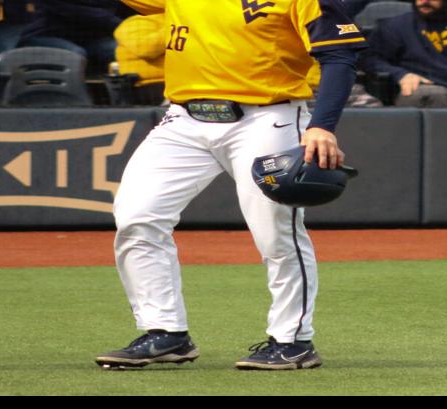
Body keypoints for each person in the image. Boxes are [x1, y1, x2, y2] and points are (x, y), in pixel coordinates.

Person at [95, 0, 366, 372]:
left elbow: (339, 55)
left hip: (267, 117)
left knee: (276, 232)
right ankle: (165, 332)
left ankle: (293, 341)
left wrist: (322, 126)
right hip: (184, 119)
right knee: (136, 216)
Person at [19, 0, 131, 75]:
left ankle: (121, 96)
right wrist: (125, 25)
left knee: (127, 50)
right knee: (75, 55)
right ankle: (72, 98)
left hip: (91, 37)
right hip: (48, 34)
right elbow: (74, 11)